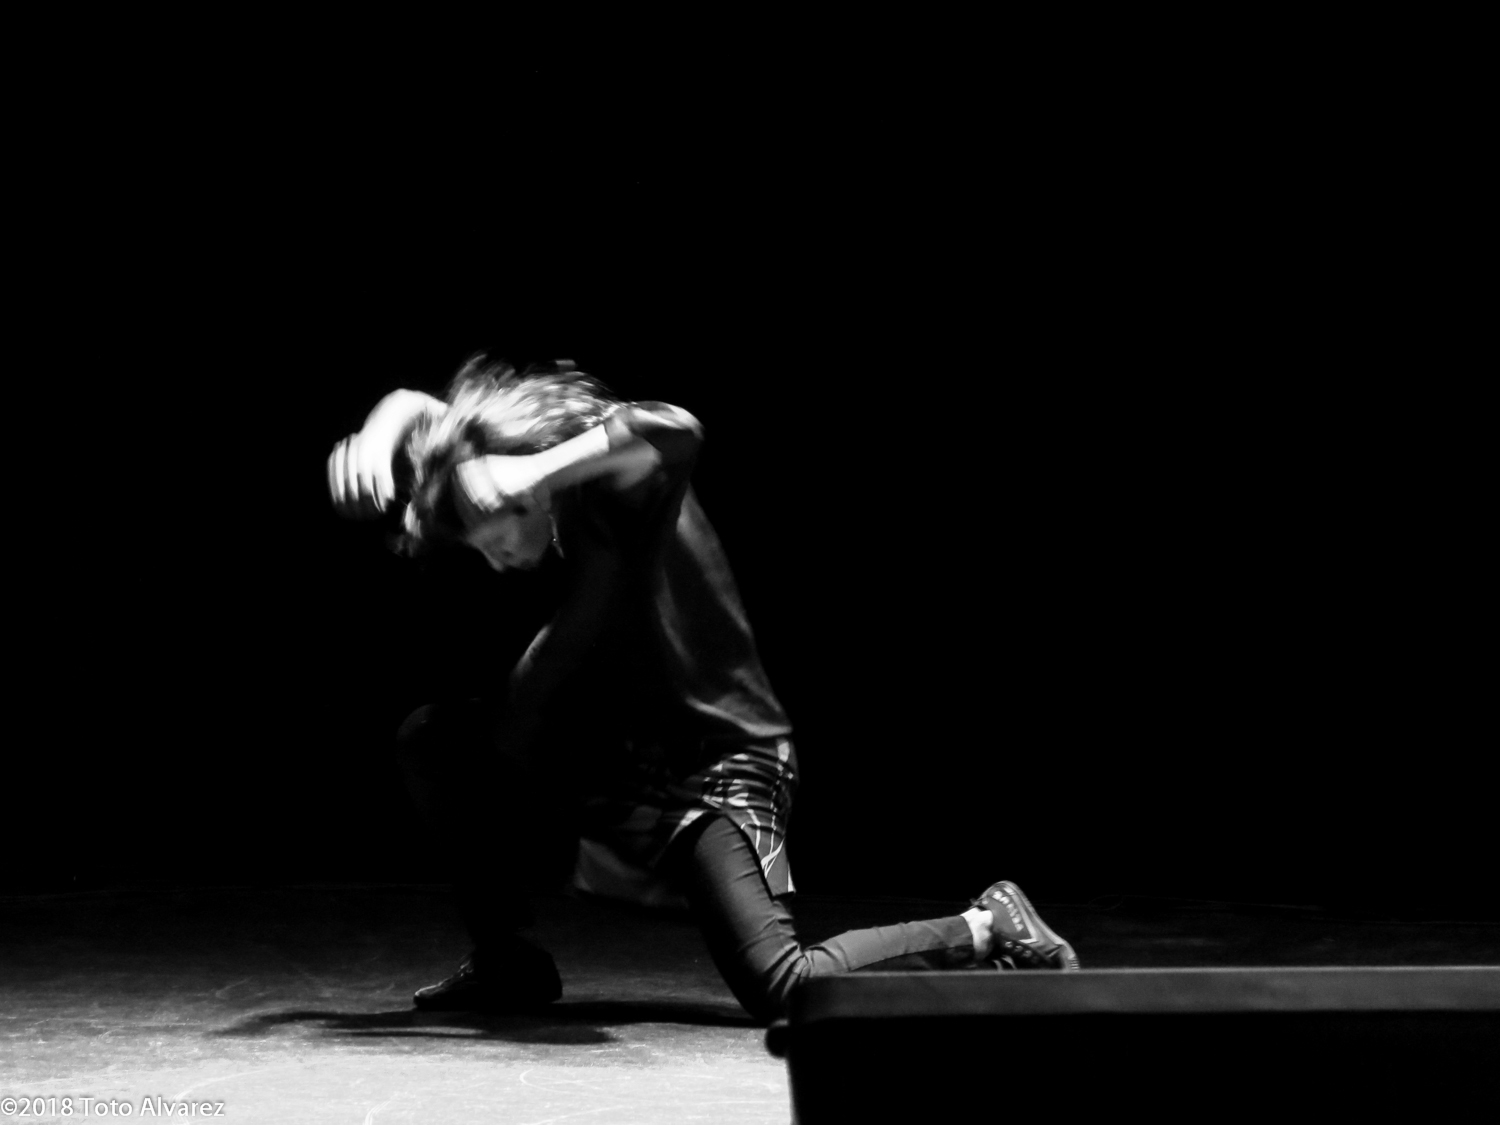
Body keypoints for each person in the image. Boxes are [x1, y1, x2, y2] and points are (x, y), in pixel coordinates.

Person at [326, 355, 1079, 1023]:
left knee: (783, 985)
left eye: (496, 544)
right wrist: (382, 432)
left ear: (523, 489)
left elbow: (675, 426)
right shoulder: (524, 497)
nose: (500, 564)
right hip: (624, 762)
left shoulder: (618, 485)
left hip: (723, 764)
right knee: (437, 739)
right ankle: (508, 962)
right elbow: (427, 412)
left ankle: (987, 926)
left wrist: (535, 471)